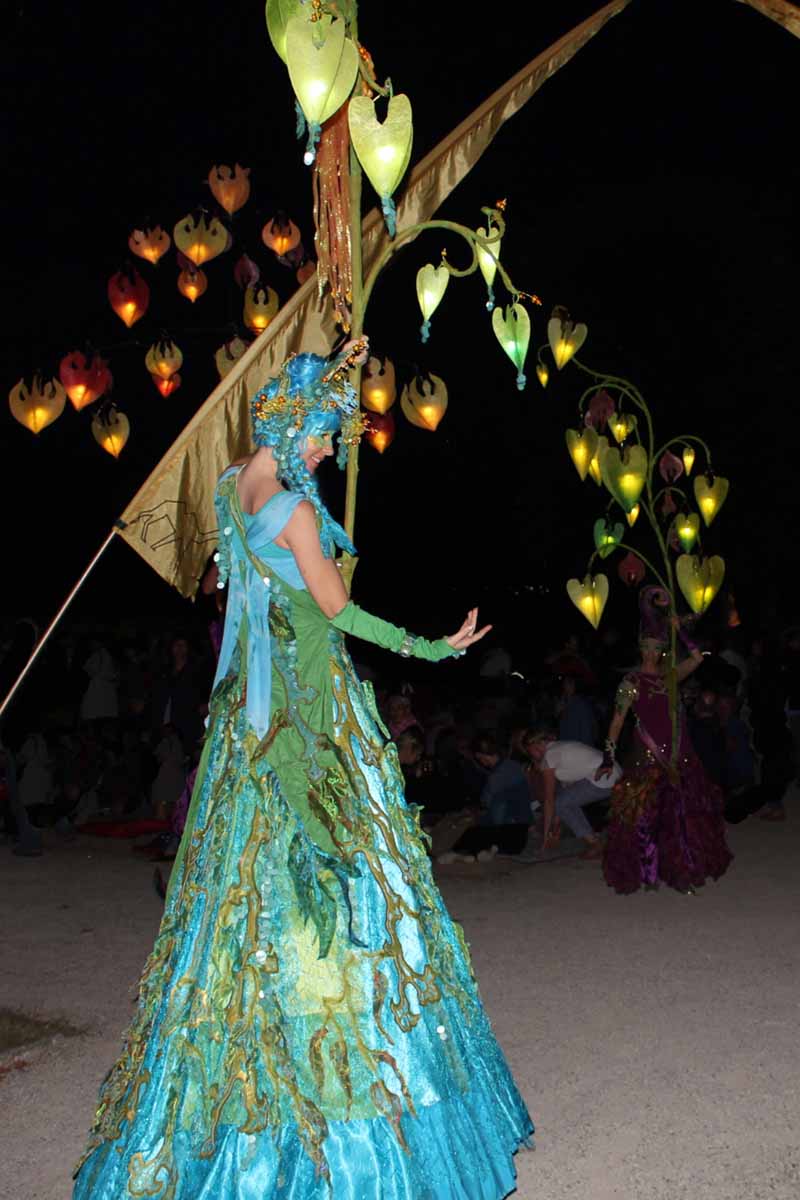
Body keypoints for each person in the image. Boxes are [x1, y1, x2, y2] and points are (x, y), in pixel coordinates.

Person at [73, 342, 532, 1199]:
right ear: (292, 423)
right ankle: (346, 1121)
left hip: (245, 736)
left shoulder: (227, 490)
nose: (329, 450)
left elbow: (250, 600)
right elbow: (336, 608)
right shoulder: (289, 509)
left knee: (237, 915)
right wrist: (435, 646)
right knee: (350, 895)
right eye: (324, 434)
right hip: (312, 729)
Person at [598, 588, 732, 894]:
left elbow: (698, 657)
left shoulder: (671, 676)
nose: (650, 651)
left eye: (656, 646)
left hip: (679, 752)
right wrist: (608, 757)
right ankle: (648, 871)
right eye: (646, 645)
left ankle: (683, 870)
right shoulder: (630, 682)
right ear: (640, 647)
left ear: (663, 649)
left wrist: (679, 630)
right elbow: (617, 721)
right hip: (646, 754)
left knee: (682, 815)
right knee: (644, 815)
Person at [524, 727, 620, 860]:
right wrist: (555, 827)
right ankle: (592, 839)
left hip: (603, 777)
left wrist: (545, 838)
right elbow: (564, 794)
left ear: (536, 746)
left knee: (560, 803)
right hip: (613, 771)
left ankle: (595, 843)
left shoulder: (549, 757)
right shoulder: (559, 748)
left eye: (530, 752)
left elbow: (549, 800)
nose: (532, 757)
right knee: (563, 802)